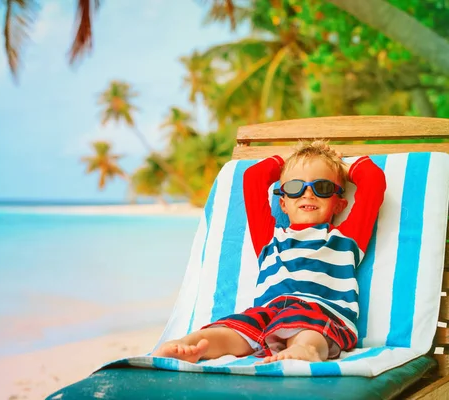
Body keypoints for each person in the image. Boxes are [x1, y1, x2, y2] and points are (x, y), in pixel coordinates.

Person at [152, 140, 386, 364]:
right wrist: (296, 158)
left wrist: (338, 165)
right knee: (233, 328)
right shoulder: (270, 239)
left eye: (322, 187)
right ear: (283, 203)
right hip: (269, 314)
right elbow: (253, 179)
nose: (308, 193)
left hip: (320, 312)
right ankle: (188, 345)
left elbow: (373, 181)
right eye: (295, 187)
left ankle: (306, 349)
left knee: (308, 328)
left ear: (339, 204)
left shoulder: (346, 239)